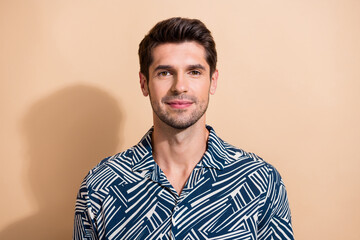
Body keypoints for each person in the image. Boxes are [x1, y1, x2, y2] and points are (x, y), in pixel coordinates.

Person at [73, 17, 294, 240]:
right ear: (144, 83)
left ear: (213, 81)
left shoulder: (261, 181)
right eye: (165, 73)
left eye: (194, 72)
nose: (179, 86)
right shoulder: (100, 186)